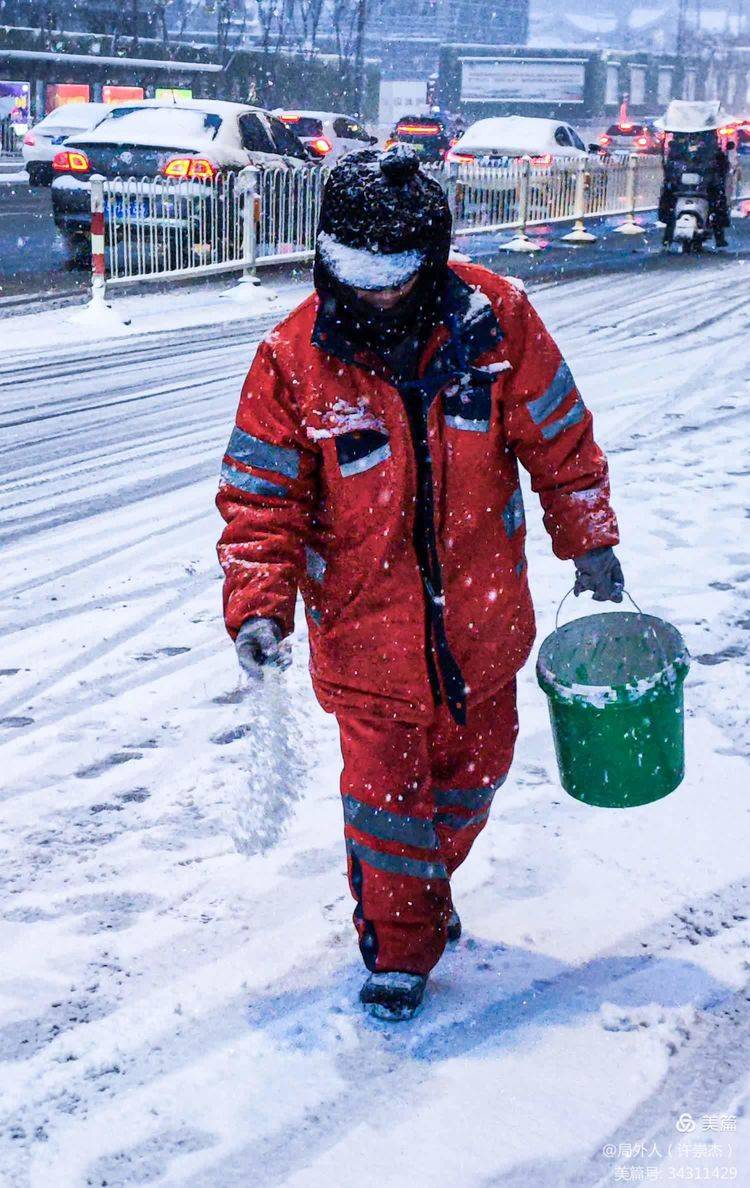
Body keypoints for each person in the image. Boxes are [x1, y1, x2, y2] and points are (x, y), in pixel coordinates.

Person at [216, 147, 623, 1022]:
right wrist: (257, 606)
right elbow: (258, 501)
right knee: (389, 805)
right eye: (354, 270)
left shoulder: (496, 321)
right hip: (367, 643)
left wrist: (589, 543)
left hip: (484, 629)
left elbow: (560, 439)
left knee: (476, 778)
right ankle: (399, 951)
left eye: (393, 271)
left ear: (430, 256)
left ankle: (418, 893)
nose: (374, 291)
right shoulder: (291, 360)